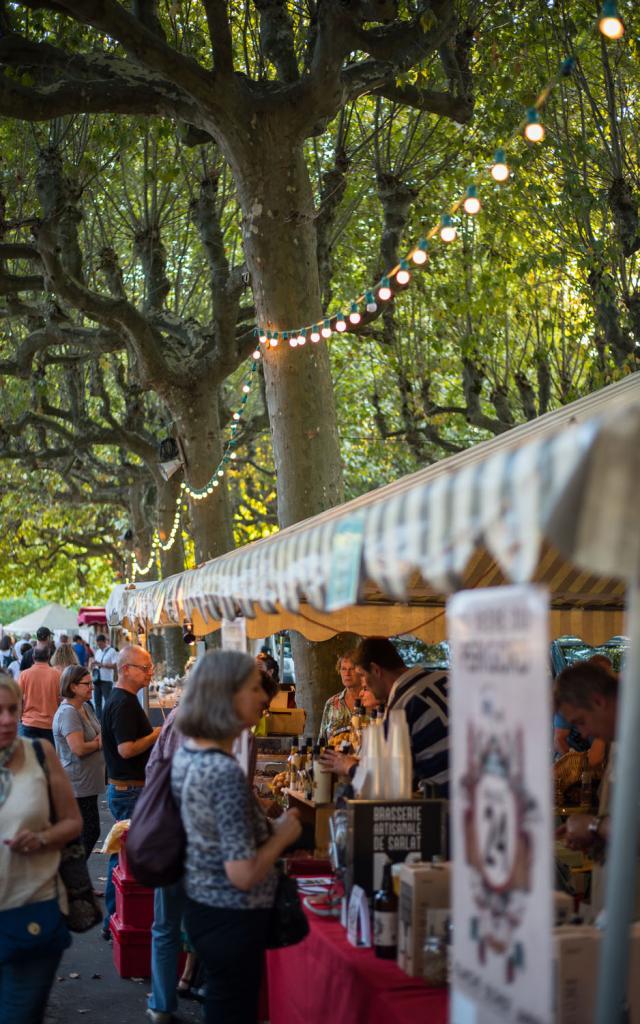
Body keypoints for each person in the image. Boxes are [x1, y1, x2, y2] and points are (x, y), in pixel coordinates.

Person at [172, 650, 302, 1024]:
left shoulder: (191, 753)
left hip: (205, 906)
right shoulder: (223, 772)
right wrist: (284, 834)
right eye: (253, 688)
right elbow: (242, 873)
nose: (264, 697)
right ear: (226, 696)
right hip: (231, 916)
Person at [0, 671, 83, 1024]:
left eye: (12, 709)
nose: (6, 719)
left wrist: (43, 838)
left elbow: (73, 822)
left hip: (33, 908)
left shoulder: (40, 752)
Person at [553, 659, 636, 918]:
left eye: (580, 722)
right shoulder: (619, 741)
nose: (584, 733)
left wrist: (592, 826)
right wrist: (596, 833)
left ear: (599, 701)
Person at [321, 637, 449, 793]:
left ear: (375, 670)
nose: (363, 684)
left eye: (362, 675)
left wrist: (348, 766)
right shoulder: (444, 677)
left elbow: (386, 783)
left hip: (447, 805)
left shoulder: (401, 707)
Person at [100, 645, 161, 939]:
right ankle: (114, 917)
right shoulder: (123, 703)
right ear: (125, 669)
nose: (150, 673)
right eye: (144, 668)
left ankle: (115, 916)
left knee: (122, 855)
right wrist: (157, 734)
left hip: (128, 789)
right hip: (128, 792)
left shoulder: (123, 700)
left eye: (150, 668)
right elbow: (126, 750)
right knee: (122, 858)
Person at [52, 665, 105, 860]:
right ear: (73, 687)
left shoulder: (85, 707)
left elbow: (100, 732)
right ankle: (75, 881)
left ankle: (79, 882)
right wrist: (99, 743)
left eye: (91, 683)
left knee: (88, 833)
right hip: (77, 783)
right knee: (88, 833)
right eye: (87, 684)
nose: (91, 687)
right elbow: (79, 748)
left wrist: (98, 740)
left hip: (87, 782)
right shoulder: (68, 713)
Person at [18, 646, 62, 744]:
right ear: (49, 657)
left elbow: (18, 699)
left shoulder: (24, 674)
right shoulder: (57, 674)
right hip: (50, 723)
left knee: (30, 757)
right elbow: (61, 698)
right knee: (48, 757)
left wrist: (20, 717)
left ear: (33, 657)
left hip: (28, 722)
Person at [317, 650, 360, 741]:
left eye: (351, 669)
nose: (347, 674)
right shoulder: (331, 703)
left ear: (361, 671)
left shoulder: (371, 701)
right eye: (343, 669)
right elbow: (322, 740)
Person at [91, 634, 118, 722]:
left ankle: (108, 719)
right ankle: (99, 720)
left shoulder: (112, 651)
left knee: (107, 701)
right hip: (97, 679)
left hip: (106, 679)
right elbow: (96, 664)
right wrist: (93, 664)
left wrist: (101, 665)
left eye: (100, 644)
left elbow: (115, 665)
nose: (99, 646)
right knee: (97, 701)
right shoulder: (98, 652)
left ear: (104, 642)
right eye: (98, 644)